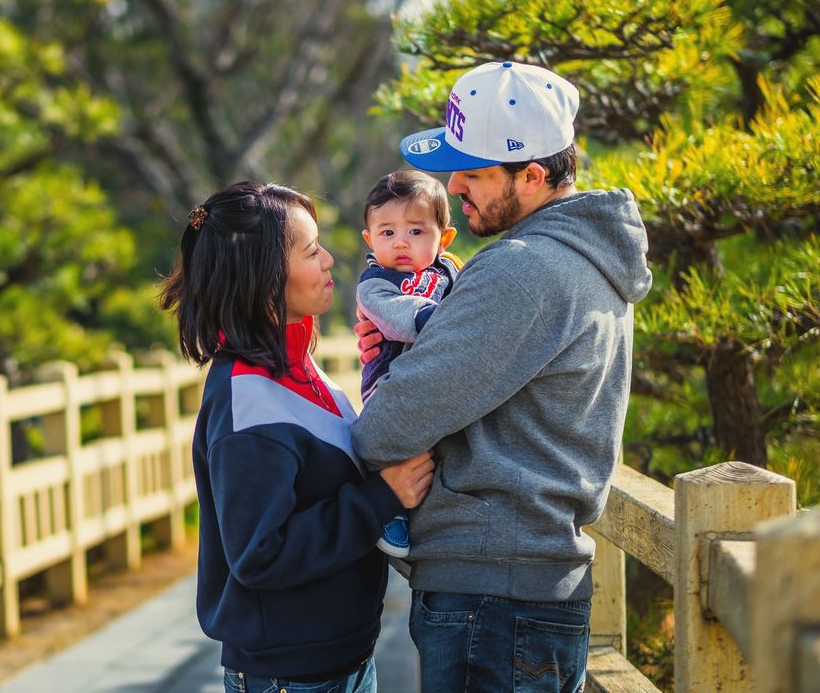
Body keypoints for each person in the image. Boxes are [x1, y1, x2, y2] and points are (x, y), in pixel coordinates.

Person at [351, 60, 653, 693]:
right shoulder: (586, 260)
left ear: (533, 175)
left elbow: (392, 421)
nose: (454, 183)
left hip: (492, 597)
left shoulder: (522, 271)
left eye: (475, 171)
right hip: (521, 588)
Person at [160, 180, 436, 693]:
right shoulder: (249, 402)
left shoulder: (298, 364)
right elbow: (260, 552)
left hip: (341, 659)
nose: (330, 259)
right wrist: (381, 498)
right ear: (265, 278)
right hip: (293, 675)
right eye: (312, 251)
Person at [356, 169, 460, 558]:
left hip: (438, 381)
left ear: (443, 237)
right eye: (387, 233)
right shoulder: (375, 283)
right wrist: (439, 320)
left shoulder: (451, 272)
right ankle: (390, 513)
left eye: (416, 231)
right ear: (369, 238)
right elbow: (399, 315)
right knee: (392, 445)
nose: (401, 242)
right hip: (389, 380)